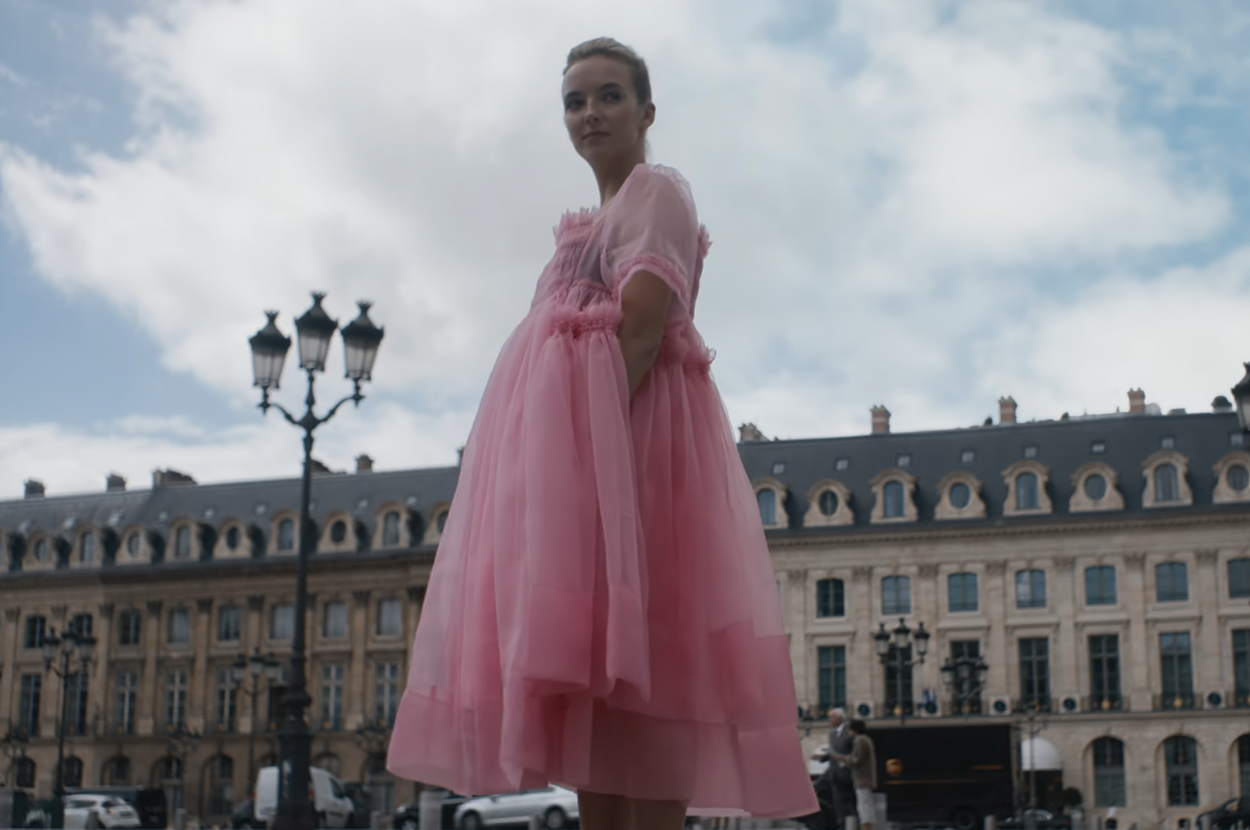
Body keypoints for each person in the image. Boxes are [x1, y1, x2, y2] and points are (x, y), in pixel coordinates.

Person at [386, 36, 819, 830]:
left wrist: (585, 478)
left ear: (647, 112)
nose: (590, 113)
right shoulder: (581, 229)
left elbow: (643, 335)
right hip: (589, 474)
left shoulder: (655, 192)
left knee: (646, 685)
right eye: (575, 101)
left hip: (635, 462)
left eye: (609, 96)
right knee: (602, 714)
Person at [833, 720, 877, 830]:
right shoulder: (866, 740)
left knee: (863, 804)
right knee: (866, 803)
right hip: (866, 778)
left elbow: (857, 760)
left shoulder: (860, 741)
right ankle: (867, 825)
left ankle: (866, 826)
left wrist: (843, 758)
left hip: (862, 778)